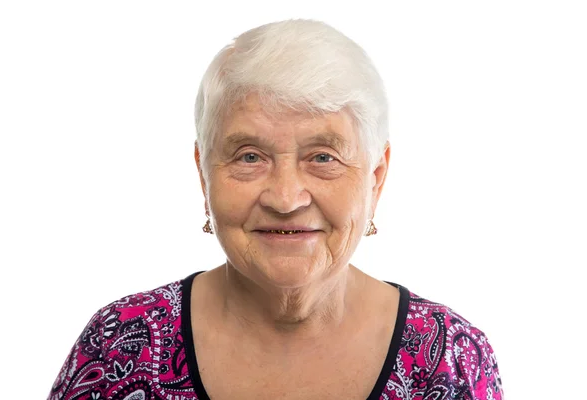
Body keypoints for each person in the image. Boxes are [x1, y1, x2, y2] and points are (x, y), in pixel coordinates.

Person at [48, 19, 503, 400]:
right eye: (249, 156)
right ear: (204, 175)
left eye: (323, 157)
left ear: (375, 177)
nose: (286, 198)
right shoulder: (119, 348)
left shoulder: (450, 359)